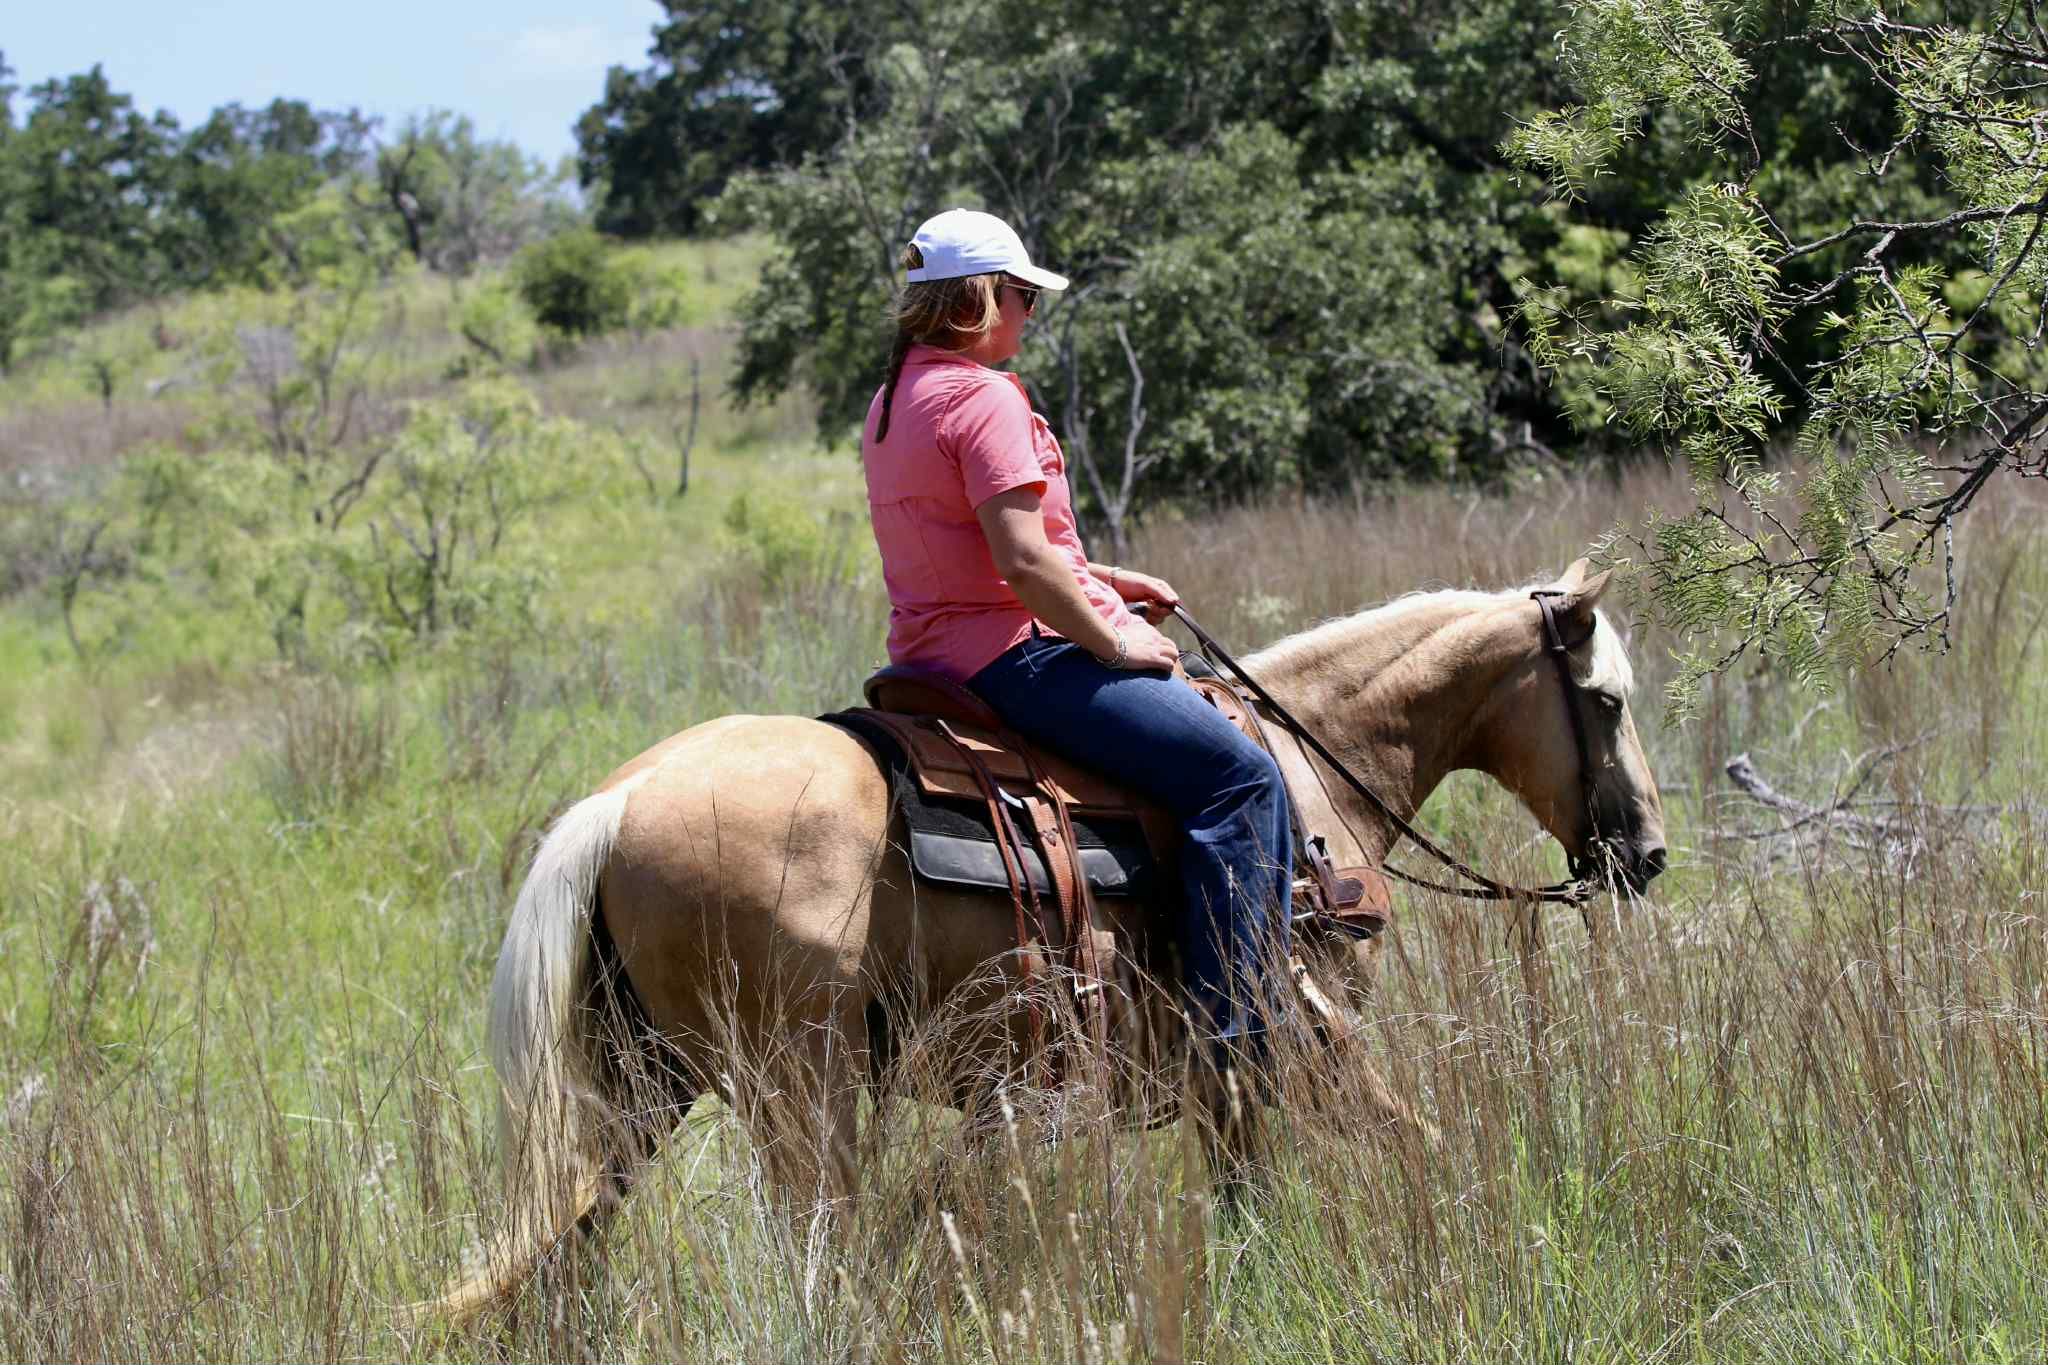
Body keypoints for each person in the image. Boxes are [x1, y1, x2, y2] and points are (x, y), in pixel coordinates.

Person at [857, 207, 1293, 1065]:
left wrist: (1103, 580)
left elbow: (968, 542)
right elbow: (1021, 565)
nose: (1029, 312)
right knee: (1240, 778)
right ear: (980, 298)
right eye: (1023, 295)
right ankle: (1242, 1041)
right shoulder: (983, 397)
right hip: (1014, 658)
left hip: (927, 657)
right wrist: (1113, 636)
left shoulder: (893, 396)